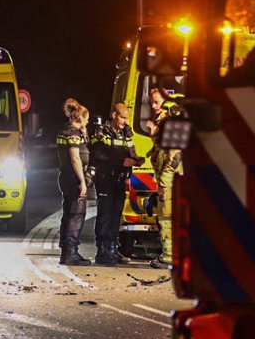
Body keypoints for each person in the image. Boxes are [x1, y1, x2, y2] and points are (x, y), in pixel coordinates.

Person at [90, 103, 140, 266]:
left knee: (116, 215)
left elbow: (131, 151)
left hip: (120, 178)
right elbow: (98, 154)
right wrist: (121, 161)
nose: (125, 121)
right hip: (105, 178)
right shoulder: (101, 131)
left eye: (127, 118)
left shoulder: (127, 131)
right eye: (122, 117)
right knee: (105, 215)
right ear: (113, 115)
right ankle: (102, 251)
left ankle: (112, 248)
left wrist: (136, 160)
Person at [145, 87, 183, 269]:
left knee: (166, 217)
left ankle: (169, 256)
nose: (153, 106)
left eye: (156, 102)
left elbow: (174, 157)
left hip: (170, 181)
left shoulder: (172, 123)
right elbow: (161, 152)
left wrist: (163, 183)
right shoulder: (164, 124)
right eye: (151, 102)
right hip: (169, 179)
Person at [56, 98, 92, 266]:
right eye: (87, 118)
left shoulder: (64, 130)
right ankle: (71, 252)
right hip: (74, 177)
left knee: (68, 213)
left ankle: (65, 249)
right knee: (77, 214)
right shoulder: (73, 133)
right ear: (80, 117)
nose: (88, 121)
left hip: (65, 175)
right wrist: (83, 182)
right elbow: (75, 158)